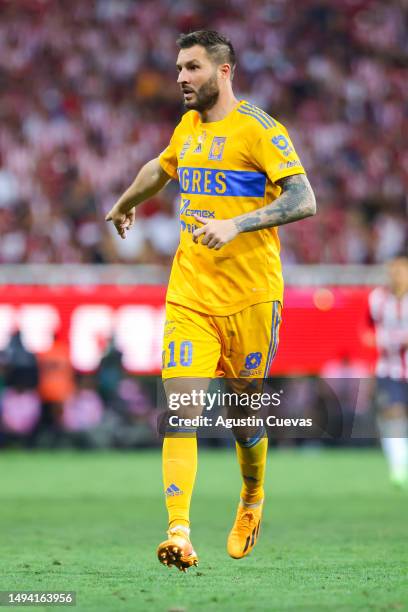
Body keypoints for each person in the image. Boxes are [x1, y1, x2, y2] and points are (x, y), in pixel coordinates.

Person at [106, 30, 316, 571]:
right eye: (178, 68)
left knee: (246, 415)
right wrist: (125, 202)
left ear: (224, 71)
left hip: (251, 297)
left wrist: (237, 223)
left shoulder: (261, 130)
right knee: (180, 409)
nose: (180, 78)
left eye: (192, 67)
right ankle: (179, 531)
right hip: (190, 295)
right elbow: (162, 166)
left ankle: (251, 499)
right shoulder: (189, 126)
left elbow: (303, 198)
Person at [368, 254, 408, 487]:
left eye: (401, 270)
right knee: (392, 413)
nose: (396, 275)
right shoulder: (377, 298)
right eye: (392, 270)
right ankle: (397, 467)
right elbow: (365, 332)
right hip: (388, 369)